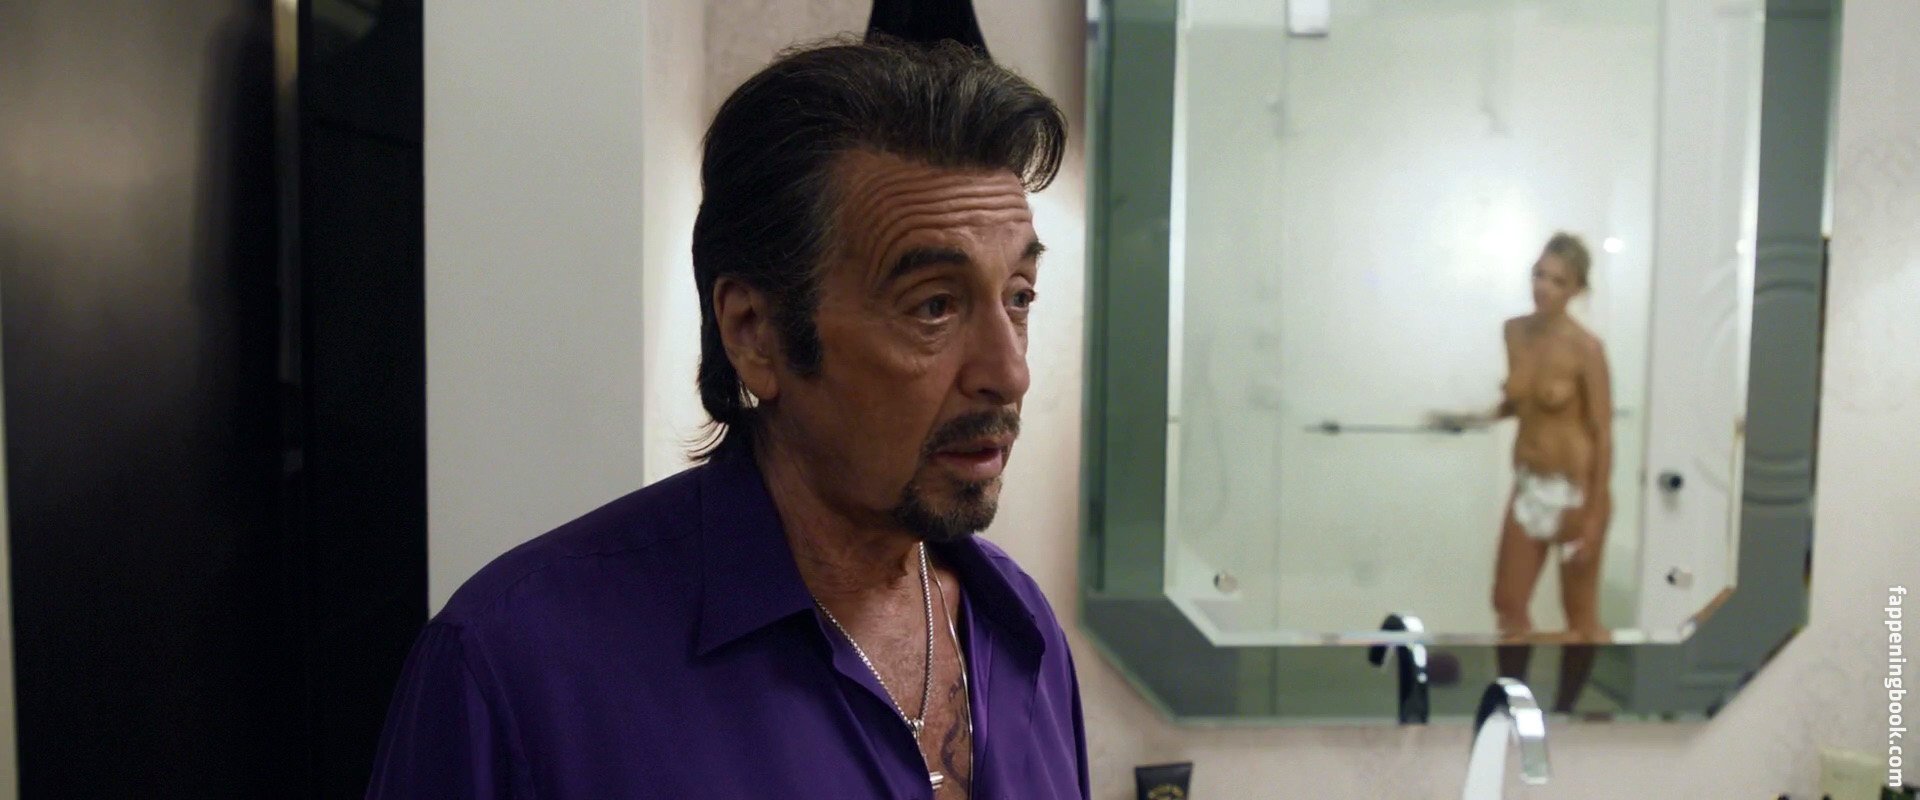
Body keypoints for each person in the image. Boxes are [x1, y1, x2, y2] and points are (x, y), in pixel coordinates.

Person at [366, 37, 1086, 799]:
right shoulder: (516, 668)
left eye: (1019, 297)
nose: (1009, 373)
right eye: (933, 307)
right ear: (755, 334)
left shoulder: (1019, 628)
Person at [1433, 232, 1614, 711]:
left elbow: (1602, 433)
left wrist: (1594, 517)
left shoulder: (1586, 349)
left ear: (1576, 289)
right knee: (1508, 603)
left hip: (1576, 493)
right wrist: (1473, 417)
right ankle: (1513, 708)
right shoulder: (1514, 332)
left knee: (1581, 619)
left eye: (1558, 281)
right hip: (1530, 485)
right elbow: (1522, 401)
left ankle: (1565, 714)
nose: (1543, 287)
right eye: (1539, 275)